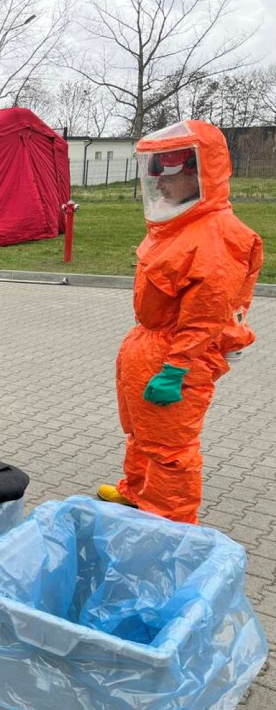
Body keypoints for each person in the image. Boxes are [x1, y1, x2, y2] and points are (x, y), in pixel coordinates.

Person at [98, 120, 264, 524]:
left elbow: (205, 317)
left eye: (171, 173)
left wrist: (176, 369)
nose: (160, 183)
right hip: (150, 346)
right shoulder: (181, 226)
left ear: (201, 173)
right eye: (157, 171)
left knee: (170, 447)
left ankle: (170, 526)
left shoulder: (218, 236)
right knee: (142, 432)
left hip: (177, 356)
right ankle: (136, 493)